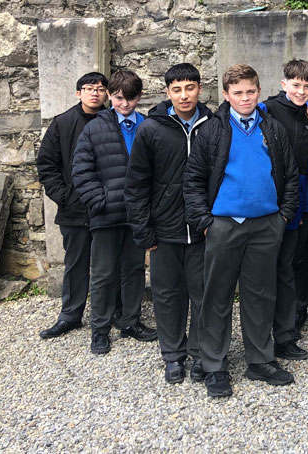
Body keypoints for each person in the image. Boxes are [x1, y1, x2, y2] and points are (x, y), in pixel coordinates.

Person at [183, 63, 299, 397]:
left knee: (261, 294)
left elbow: (290, 175)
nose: (245, 98)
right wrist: (205, 222)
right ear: (226, 95)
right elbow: (192, 182)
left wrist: (283, 217)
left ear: (259, 91)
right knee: (216, 295)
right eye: (238, 93)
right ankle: (214, 364)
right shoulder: (211, 131)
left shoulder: (272, 128)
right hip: (224, 225)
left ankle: (260, 360)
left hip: (266, 225)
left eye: (250, 92)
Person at [125, 63, 212, 384]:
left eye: (189, 88)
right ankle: (172, 355)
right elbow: (136, 185)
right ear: (167, 93)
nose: (184, 95)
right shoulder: (151, 129)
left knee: (204, 294)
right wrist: (144, 229)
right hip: (164, 230)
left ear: (199, 89)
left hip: (202, 230)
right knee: (167, 295)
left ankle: (201, 353)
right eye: (177, 89)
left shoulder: (213, 125)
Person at [72, 70, 157, 354]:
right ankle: (100, 328)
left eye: (131, 98)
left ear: (139, 97)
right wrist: (101, 201)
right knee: (104, 274)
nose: (125, 104)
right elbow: (81, 171)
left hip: (138, 216)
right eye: (119, 98)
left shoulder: (148, 124)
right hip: (107, 215)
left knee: (133, 270)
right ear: (110, 95)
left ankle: (131, 320)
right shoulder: (95, 128)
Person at [37, 71, 108, 339]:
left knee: (108, 265)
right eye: (90, 89)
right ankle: (70, 315)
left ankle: (111, 313)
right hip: (74, 209)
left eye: (100, 89)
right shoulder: (63, 123)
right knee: (75, 263)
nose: (95, 93)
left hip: (107, 208)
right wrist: (64, 196)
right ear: (79, 93)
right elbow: (46, 164)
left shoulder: (112, 120)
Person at [264, 59, 308, 362]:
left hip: (293, 199)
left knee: (286, 269)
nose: (301, 90)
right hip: (267, 198)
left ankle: (284, 336)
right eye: (296, 85)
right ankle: (261, 338)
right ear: (284, 84)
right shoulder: (267, 109)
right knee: (264, 272)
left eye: (306, 86)